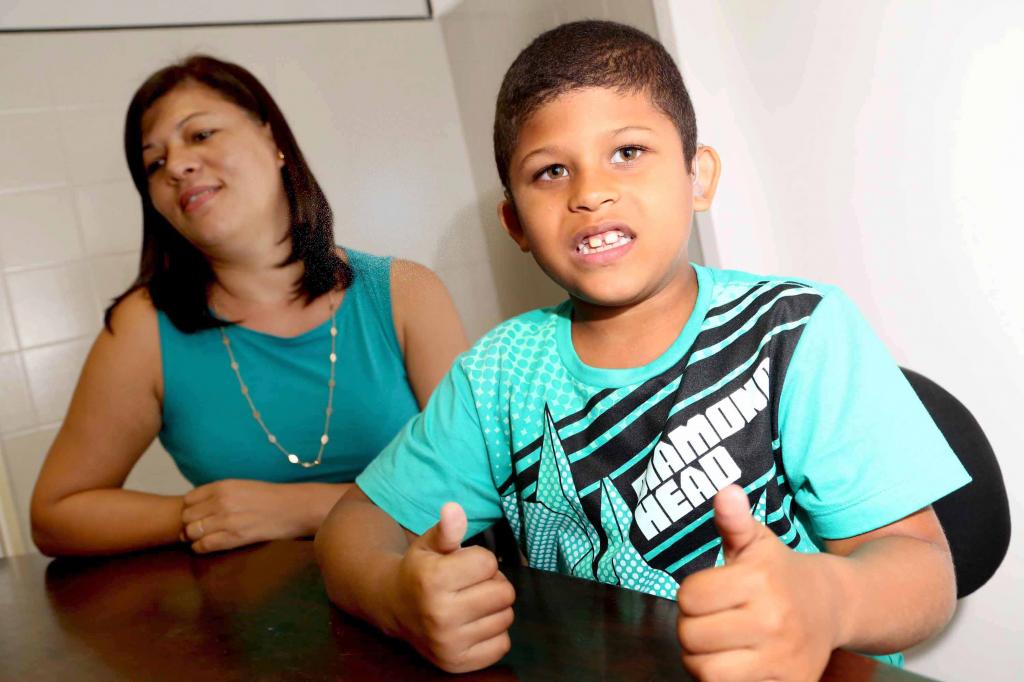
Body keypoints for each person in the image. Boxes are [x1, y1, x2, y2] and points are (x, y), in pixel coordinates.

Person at [314, 20, 972, 679]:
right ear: (515, 223)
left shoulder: (797, 332)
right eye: (551, 171)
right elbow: (351, 529)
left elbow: (922, 571)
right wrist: (396, 596)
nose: (590, 192)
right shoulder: (496, 376)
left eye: (627, 151)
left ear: (697, 177)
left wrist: (828, 600)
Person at [30, 55, 467, 557]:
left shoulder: (405, 291)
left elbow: (473, 481)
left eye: (200, 135)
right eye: (154, 163)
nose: (176, 166)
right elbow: (55, 515)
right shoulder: (144, 328)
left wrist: (299, 508)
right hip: (249, 605)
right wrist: (208, 514)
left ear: (272, 139)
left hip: (418, 595)